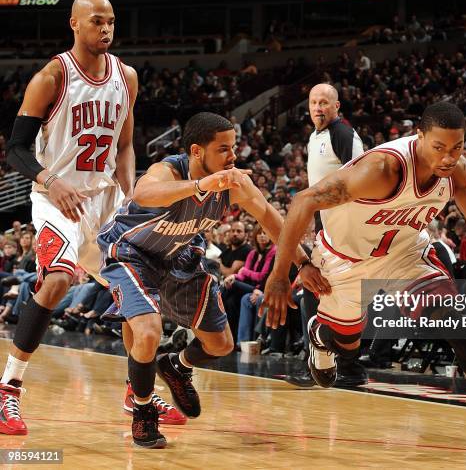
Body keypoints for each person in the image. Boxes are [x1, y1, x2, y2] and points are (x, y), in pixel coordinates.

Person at [263, 101, 466, 461]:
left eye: (456, 147)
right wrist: (279, 274)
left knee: (448, 316)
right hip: (344, 261)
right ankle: (321, 333)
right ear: (420, 137)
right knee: (348, 347)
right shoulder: (382, 169)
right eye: (439, 147)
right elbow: (303, 201)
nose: (448, 157)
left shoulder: (457, 172)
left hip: (404, 252)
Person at [98, 112, 328, 448]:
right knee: (148, 331)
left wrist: (302, 262)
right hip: (132, 253)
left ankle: (177, 365)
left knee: (221, 345)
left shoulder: (235, 183)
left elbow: (269, 218)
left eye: (234, 147)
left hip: (180, 256)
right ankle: (143, 411)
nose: (233, 156)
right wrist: (200, 186)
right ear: (196, 151)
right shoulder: (169, 170)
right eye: (223, 149)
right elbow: (143, 194)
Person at [0, 0, 163, 436]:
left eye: (111, 21)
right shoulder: (51, 77)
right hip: (57, 198)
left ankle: (139, 394)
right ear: (74, 23)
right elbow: (15, 149)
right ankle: (8, 389)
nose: (106, 29)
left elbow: (126, 145)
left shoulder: (126, 77)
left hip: (106, 200)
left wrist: (131, 192)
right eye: (97, 21)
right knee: (55, 281)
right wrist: (51, 180)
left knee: (135, 300)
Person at [285, 83, 367, 388]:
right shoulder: (316, 136)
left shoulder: (343, 134)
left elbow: (363, 178)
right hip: (328, 227)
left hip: (348, 230)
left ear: (337, 107)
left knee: (322, 290)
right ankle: (342, 365)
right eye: (313, 102)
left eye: (324, 103)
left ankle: (329, 363)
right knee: (323, 290)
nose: (318, 108)